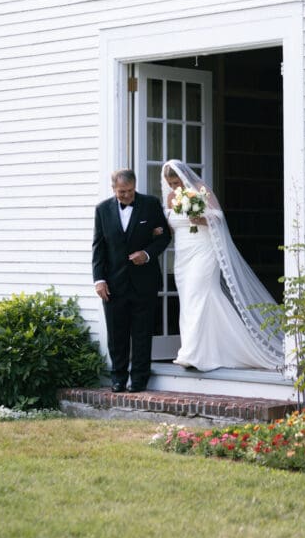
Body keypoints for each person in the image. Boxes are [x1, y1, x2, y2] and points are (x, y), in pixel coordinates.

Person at [162, 159, 284, 372]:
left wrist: (202, 218)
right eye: (170, 184)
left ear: (183, 177)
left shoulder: (199, 190)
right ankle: (204, 349)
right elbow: (173, 226)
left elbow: (218, 216)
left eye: (176, 182)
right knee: (190, 299)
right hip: (183, 254)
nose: (174, 188)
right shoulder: (171, 198)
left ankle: (194, 353)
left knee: (200, 293)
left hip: (204, 249)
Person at [92, 168, 172, 392]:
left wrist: (146, 254)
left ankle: (139, 379)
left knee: (142, 333)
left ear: (135, 186)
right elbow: (98, 248)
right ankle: (117, 378)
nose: (124, 196)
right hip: (113, 283)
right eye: (120, 192)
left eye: (128, 191)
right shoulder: (102, 210)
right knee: (116, 335)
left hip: (144, 282)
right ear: (113, 189)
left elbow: (164, 236)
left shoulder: (150, 204)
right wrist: (99, 280)